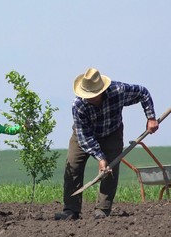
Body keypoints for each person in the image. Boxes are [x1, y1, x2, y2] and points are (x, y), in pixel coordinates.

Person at [55, 68, 159, 220]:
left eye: (90, 95)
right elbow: (85, 137)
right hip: (84, 135)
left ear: (100, 91)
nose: (87, 98)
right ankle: (71, 210)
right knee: (73, 166)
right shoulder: (78, 105)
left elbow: (143, 92)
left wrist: (151, 117)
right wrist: (100, 158)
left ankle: (102, 210)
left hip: (112, 133)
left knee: (110, 168)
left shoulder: (118, 91)